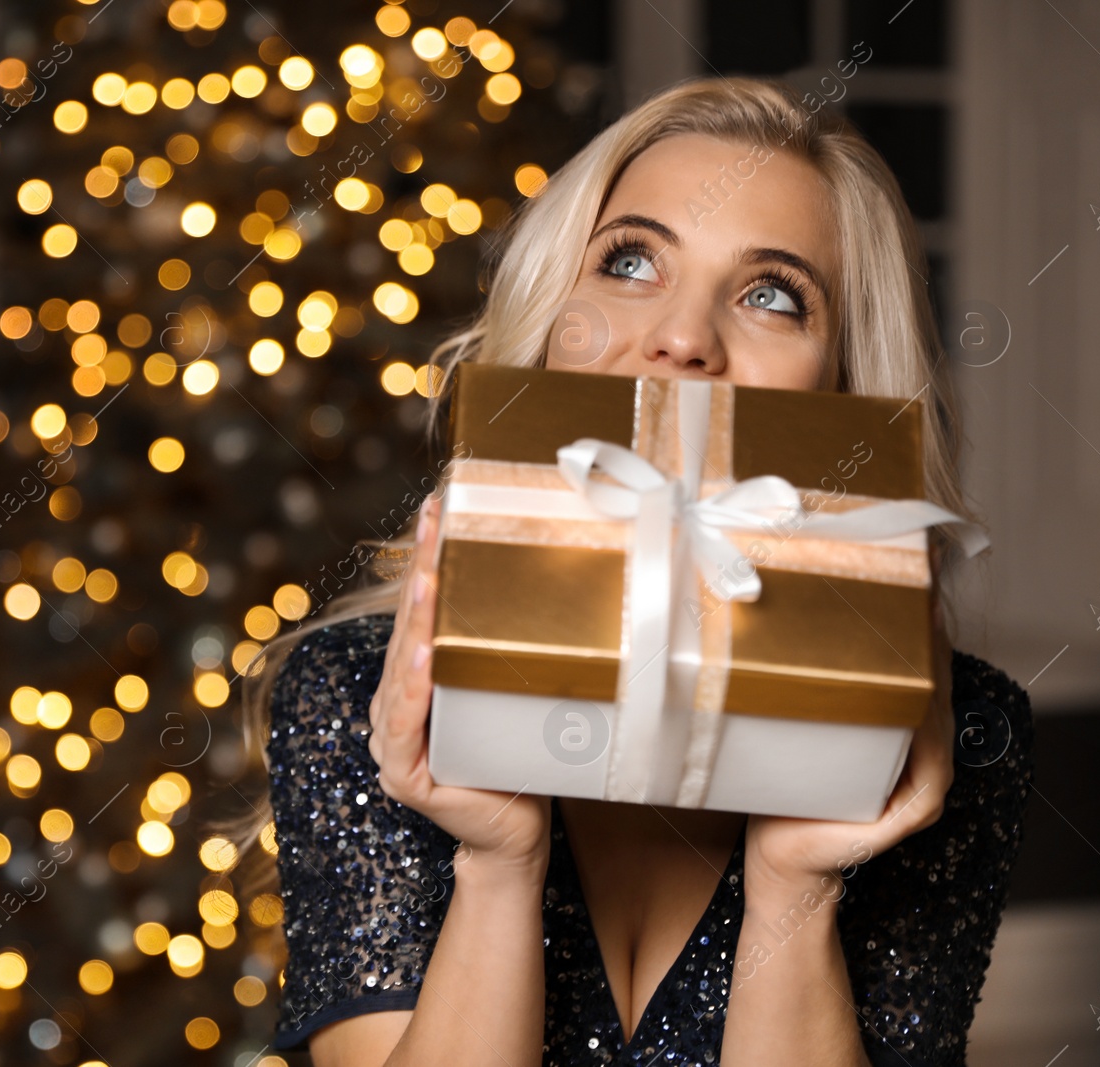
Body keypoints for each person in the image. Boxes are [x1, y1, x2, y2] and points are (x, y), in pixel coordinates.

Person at [232, 76, 1034, 1066]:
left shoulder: (951, 742)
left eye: (771, 293)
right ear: (551, 315)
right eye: (629, 261)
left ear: (845, 382)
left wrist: (798, 885)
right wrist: (494, 860)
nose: (683, 338)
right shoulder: (363, 695)